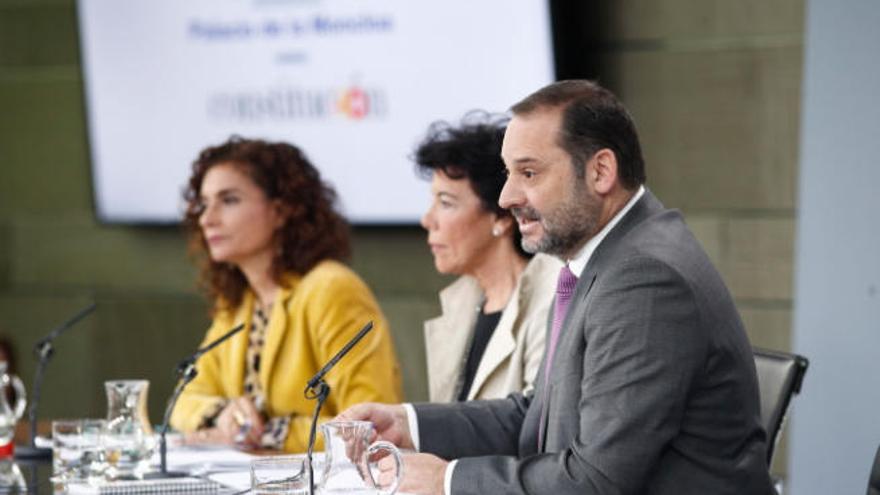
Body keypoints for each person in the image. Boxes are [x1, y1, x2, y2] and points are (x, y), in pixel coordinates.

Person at [339, 81, 774, 494]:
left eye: (528, 173)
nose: (508, 196)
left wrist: (447, 481)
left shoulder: (644, 278)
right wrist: (409, 423)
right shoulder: (603, 258)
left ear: (601, 171)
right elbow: (541, 416)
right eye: (509, 173)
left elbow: (595, 481)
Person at [170, 136, 402, 453]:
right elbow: (185, 401)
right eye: (204, 203)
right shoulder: (240, 302)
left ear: (281, 210)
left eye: (229, 200)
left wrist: (268, 432)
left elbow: (369, 426)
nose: (207, 218)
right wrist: (223, 414)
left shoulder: (331, 289)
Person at [415, 112, 561, 402]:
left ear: (502, 216)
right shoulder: (461, 302)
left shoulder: (551, 299)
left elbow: (535, 427)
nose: (427, 220)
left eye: (446, 202)